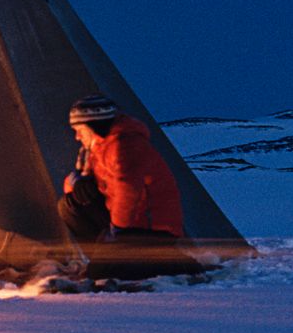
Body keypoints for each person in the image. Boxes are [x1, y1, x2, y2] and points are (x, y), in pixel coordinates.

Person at [59, 98, 203, 279]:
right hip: (124, 224)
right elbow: (80, 184)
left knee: (103, 273)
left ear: (93, 125)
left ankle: (178, 264)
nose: (77, 137)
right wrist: (78, 183)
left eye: (79, 131)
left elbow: (127, 191)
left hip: (149, 226)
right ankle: (106, 259)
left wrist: (118, 231)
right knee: (70, 205)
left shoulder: (125, 145)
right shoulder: (96, 148)